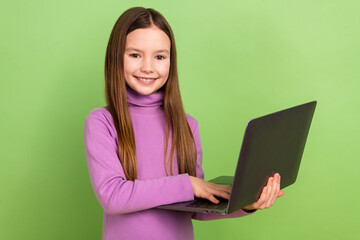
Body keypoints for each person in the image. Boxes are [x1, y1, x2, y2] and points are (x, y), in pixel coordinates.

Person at [84, 7, 284, 240]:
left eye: (159, 56)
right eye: (135, 55)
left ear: (171, 61)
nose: (148, 67)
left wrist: (247, 203)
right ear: (116, 56)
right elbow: (112, 196)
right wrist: (188, 184)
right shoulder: (102, 121)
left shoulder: (187, 125)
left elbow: (195, 208)